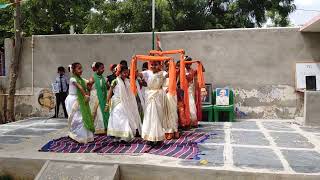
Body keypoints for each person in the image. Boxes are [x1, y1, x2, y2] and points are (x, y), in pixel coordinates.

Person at [139, 61, 171, 145]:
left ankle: (158, 138)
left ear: (159, 65)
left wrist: (171, 64)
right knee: (149, 116)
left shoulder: (162, 73)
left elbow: (169, 75)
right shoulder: (147, 72)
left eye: (155, 65)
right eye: (152, 65)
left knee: (158, 116)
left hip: (159, 96)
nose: (153, 66)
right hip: (149, 96)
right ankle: (150, 137)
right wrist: (134, 62)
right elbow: (137, 75)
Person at [107, 65, 141, 142]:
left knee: (124, 117)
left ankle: (124, 136)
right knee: (119, 118)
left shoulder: (127, 81)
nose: (126, 74)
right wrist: (107, 103)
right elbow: (110, 92)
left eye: (127, 73)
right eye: (124, 73)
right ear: (119, 72)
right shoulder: (115, 81)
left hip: (125, 102)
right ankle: (120, 136)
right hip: (117, 102)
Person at [65, 62, 95, 144]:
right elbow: (80, 87)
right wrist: (85, 95)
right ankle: (76, 135)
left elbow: (88, 83)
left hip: (80, 99)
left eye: (81, 68)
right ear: (74, 71)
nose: (81, 70)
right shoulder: (72, 79)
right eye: (79, 68)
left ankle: (85, 136)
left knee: (83, 117)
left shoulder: (82, 79)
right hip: (73, 100)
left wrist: (91, 82)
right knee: (76, 118)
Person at [89, 62, 109, 134]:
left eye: (103, 68)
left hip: (103, 97)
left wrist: (108, 84)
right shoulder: (93, 78)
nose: (103, 70)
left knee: (103, 111)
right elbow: (88, 87)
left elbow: (108, 87)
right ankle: (98, 129)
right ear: (96, 69)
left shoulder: (104, 78)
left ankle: (104, 128)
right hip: (95, 98)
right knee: (98, 113)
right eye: (101, 68)